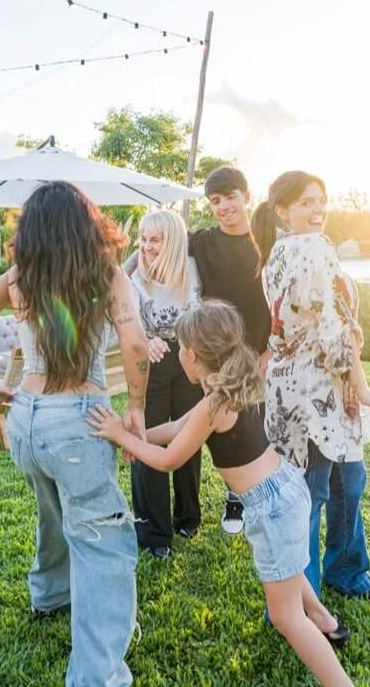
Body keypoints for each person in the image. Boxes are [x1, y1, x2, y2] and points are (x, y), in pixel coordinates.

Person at [88, 300, 354, 687]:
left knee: (285, 617)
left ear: (192, 356)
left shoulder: (215, 402)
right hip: (286, 490)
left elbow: (168, 461)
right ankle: (327, 622)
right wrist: (131, 436)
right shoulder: (231, 386)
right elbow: (179, 426)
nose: (179, 354)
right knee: (288, 569)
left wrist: (117, 434)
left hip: (272, 507)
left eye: (180, 348)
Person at [0, 181, 150, 687]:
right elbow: (134, 342)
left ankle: (50, 595)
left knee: (53, 512)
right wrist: (135, 407)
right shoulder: (105, 274)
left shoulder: (21, 278)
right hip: (77, 422)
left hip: (25, 419)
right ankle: (97, 676)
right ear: (86, 223)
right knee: (102, 541)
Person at [251, 171, 370, 605]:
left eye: (321, 201)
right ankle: (303, 599)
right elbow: (333, 330)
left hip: (307, 385)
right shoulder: (311, 246)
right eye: (306, 203)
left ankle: (347, 572)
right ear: (282, 210)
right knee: (312, 491)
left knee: (348, 479)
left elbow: (324, 324)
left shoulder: (277, 251)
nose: (317, 211)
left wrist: (348, 378)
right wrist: (362, 388)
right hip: (313, 392)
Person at [189, 166, 271, 535]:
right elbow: (161, 244)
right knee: (227, 427)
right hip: (219, 353)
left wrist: (270, 353)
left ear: (247, 197)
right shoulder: (203, 242)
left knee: (263, 426)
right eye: (215, 201)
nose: (223, 207)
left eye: (230, 198)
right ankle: (235, 497)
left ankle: (265, 493)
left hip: (264, 353)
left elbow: (281, 304)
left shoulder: (267, 242)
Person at [128, 209, 203, 558]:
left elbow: (196, 313)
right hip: (150, 364)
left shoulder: (188, 269)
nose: (146, 246)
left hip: (187, 358)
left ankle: (187, 516)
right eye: (143, 239)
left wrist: (182, 344)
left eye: (154, 239)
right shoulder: (134, 277)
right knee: (150, 441)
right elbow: (124, 320)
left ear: (171, 241)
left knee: (188, 437)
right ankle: (153, 533)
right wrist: (146, 338)